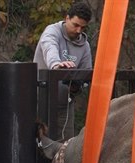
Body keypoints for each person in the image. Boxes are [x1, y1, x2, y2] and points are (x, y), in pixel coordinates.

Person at [33, 2, 93, 141]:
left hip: (64, 106)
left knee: (65, 148)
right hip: (38, 102)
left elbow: (86, 73)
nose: (79, 30)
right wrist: (57, 65)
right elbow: (49, 46)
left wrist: (77, 86)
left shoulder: (85, 46)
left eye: (83, 27)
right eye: (75, 25)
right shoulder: (52, 31)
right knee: (37, 145)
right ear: (67, 18)